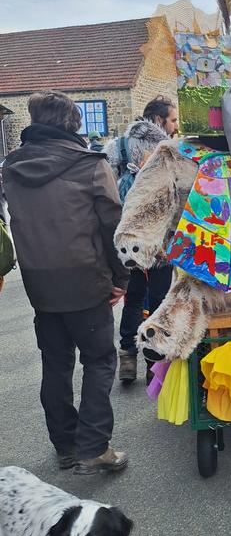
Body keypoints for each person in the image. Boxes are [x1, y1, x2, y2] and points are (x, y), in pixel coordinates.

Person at [3, 90, 129, 474]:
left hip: (39, 283)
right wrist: (120, 277)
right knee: (99, 360)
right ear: (74, 124)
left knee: (55, 365)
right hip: (85, 279)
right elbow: (112, 226)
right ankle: (93, 446)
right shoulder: (90, 164)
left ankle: (66, 445)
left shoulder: (11, 167)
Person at [104, 95, 178, 383]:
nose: (175, 126)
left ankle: (127, 358)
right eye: (172, 120)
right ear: (159, 120)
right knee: (160, 299)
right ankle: (153, 362)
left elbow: (107, 194)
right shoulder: (169, 151)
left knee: (133, 297)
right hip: (159, 237)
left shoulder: (117, 147)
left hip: (129, 239)